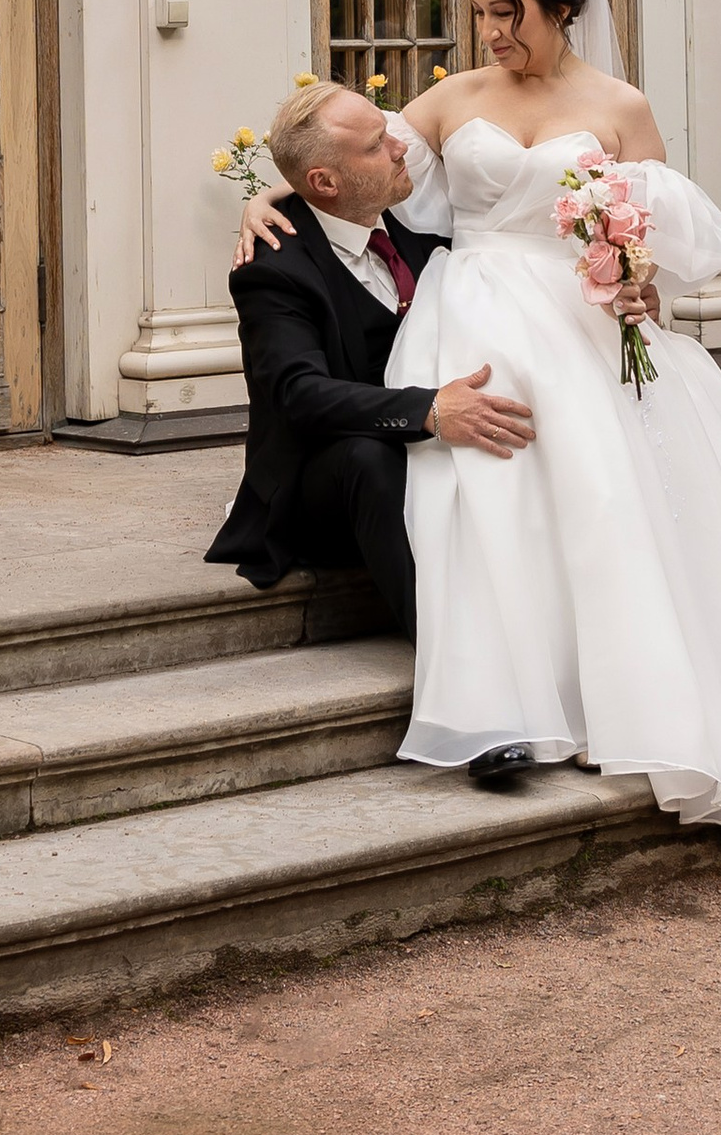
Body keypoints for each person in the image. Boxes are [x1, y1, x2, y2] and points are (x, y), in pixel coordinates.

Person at [234, 0, 721, 831]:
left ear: (561, 6)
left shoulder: (621, 107)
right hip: (475, 313)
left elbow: (661, 235)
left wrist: (640, 288)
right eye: (481, 12)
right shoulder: (453, 101)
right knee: (482, 489)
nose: (489, 32)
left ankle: (635, 689)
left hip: (581, 319)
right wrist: (262, 193)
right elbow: (350, 162)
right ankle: (509, 694)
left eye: (506, 12)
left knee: (606, 494)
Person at [204, 77, 651, 787]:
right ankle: (481, 706)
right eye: (379, 144)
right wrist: (427, 412)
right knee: (367, 458)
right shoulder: (275, 267)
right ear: (323, 181)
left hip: (425, 453)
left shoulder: (419, 227)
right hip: (327, 482)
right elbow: (299, 396)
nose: (401, 144)